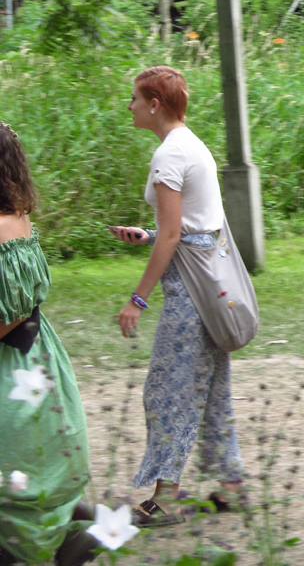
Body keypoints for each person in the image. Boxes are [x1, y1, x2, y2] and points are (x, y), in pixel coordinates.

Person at [109, 66, 245, 526]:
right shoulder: (192, 145)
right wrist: (146, 235)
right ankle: (230, 484)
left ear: (153, 104)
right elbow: (192, 230)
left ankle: (165, 500)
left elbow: (173, 236)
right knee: (209, 389)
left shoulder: (169, 155)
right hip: (212, 289)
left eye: (132, 99)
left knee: (167, 391)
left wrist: (138, 299)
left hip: (190, 294)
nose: (128, 106)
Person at [0, 121, 97, 565]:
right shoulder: (19, 216)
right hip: (37, 353)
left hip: (11, 360)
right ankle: (70, 526)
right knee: (39, 456)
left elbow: (9, 315)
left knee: (15, 461)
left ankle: (39, 546)